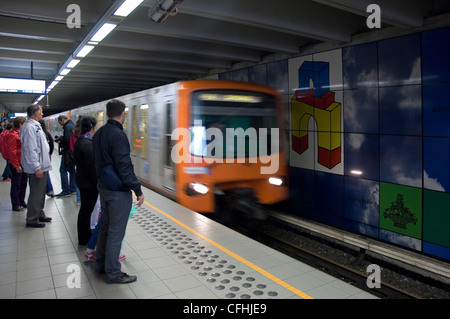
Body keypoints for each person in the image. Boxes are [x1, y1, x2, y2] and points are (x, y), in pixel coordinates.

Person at [93, 99, 144, 284]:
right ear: (123, 114)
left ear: (107, 114)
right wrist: (137, 189)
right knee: (116, 232)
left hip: (104, 188)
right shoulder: (118, 135)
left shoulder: (99, 133)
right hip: (118, 192)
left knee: (105, 227)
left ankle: (100, 264)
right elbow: (124, 166)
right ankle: (113, 273)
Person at [20, 104, 52, 228]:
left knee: (41, 192)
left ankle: (39, 213)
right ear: (35, 113)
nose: (42, 114)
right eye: (41, 111)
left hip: (41, 165)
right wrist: (36, 167)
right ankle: (32, 219)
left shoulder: (34, 126)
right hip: (36, 167)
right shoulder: (29, 128)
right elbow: (30, 149)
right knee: (36, 193)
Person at [74, 116, 98, 245]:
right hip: (88, 184)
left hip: (83, 180)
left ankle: (84, 235)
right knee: (86, 210)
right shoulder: (87, 144)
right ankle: (84, 238)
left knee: (85, 210)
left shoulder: (80, 140)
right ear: (92, 127)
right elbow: (92, 168)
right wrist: (98, 183)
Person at [6, 117, 28, 211]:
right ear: (20, 124)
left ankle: (21, 201)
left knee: (23, 183)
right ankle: (16, 205)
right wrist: (16, 165)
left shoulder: (21, 134)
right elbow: (12, 151)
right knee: (16, 184)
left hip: (23, 162)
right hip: (17, 163)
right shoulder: (12, 135)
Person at [54, 115, 76, 197]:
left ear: (63, 120)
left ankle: (66, 190)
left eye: (60, 122)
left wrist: (60, 139)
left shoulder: (67, 126)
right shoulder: (72, 125)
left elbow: (67, 140)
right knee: (72, 170)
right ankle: (73, 188)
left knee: (62, 170)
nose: (60, 124)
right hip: (72, 152)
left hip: (67, 152)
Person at [39, 120, 56, 197]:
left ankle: (48, 190)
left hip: (40, 156)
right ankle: (50, 190)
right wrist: (49, 153)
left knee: (44, 174)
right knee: (46, 173)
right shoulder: (47, 133)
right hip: (47, 155)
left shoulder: (39, 134)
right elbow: (51, 144)